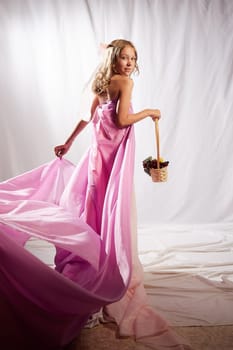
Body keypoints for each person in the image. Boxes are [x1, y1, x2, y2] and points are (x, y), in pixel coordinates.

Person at [0, 39, 191, 349]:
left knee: (95, 209)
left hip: (96, 159)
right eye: (124, 57)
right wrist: (149, 112)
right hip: (111, 161)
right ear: (114, 59)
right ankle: (104, 264)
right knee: (110, 209)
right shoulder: (124, 82)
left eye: (133, 58)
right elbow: (122, 120)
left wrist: (67, 142)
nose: (129, 63)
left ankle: (91, 257)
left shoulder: (101, 82)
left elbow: (87, 119)